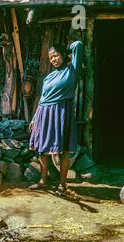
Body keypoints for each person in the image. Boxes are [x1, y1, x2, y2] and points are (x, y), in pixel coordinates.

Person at [29, 40, 84, 192]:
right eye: (51, 57)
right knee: (42, 148)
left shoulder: (72, 70)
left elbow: (78, 44)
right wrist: (34, 118)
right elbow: (42, 98)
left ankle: (62, 184)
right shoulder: (48, 77)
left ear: (63, 55)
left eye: (56, 55)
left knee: (63, 150)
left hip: (61, 112)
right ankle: (43, 180)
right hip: (44, 113)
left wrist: (67, 50)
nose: (53, 59)